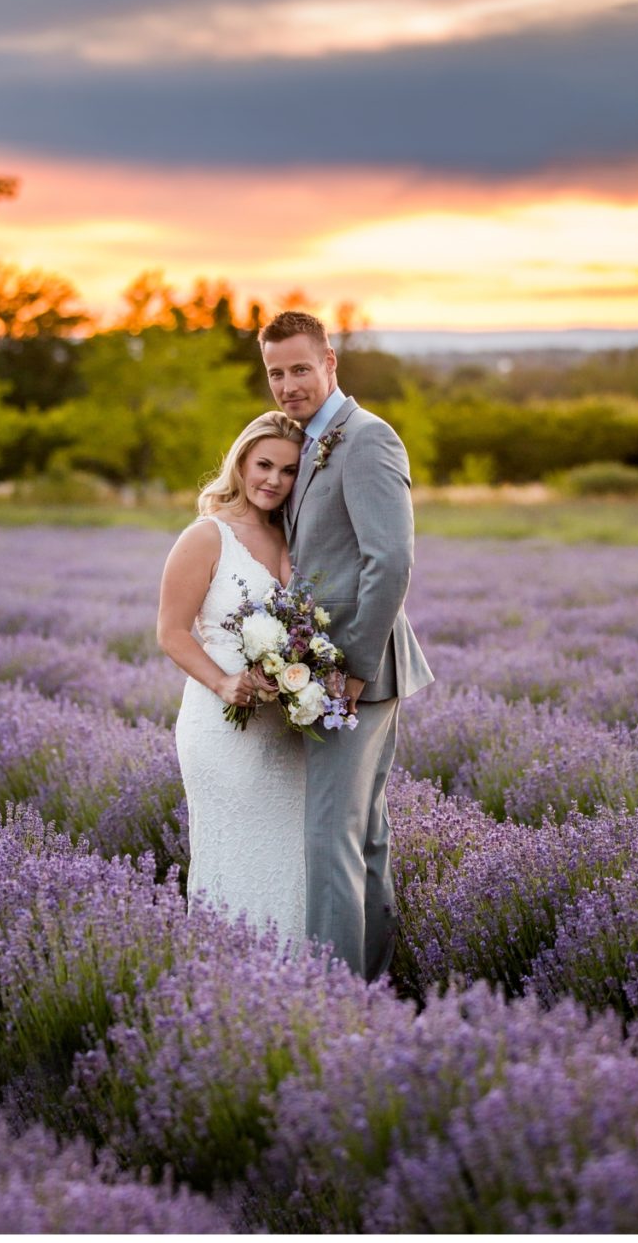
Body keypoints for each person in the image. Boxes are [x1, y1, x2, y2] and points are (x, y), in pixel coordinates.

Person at [260, 309, 431, 982]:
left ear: (331, 361)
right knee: (363, 839)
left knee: (329, 839)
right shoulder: (310, 441)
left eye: (300, 367)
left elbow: (388, 562)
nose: (288, 383)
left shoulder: (366, 439)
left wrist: (353, 669)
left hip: (359, 672)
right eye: (276, 372)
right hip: (330, 668)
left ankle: (332, 1002)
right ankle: (374, 987)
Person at [156, 410, 308, 943]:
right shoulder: (207, 535)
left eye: (288, 471)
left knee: (290, 859)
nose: (273, 480)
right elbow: (171, 632)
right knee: (234, 858)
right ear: (241, 462)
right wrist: (224, 683)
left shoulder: (290, 536)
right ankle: (228, 978)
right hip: (222, 727)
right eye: (264, 464)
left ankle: (294, 984)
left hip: (284, 731)